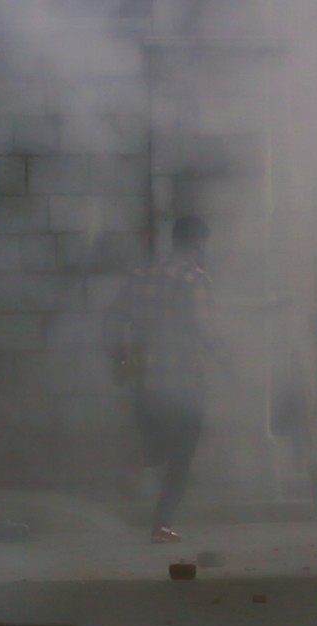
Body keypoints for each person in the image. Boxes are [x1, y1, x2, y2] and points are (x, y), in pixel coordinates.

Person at [104, 216, 222, 544]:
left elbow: (113, 317)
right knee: (182, 458)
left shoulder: (140, 277)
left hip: (146, 382)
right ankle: (161, 525)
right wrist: (228, 360)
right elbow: (206, 330)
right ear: (198, 243)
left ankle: (138, 459)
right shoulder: (195, 279)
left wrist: (121, 358)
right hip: (185, 383)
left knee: (157, 443)